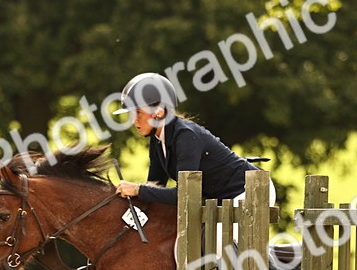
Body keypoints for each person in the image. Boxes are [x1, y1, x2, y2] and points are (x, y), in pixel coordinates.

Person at [113, 73, 276, 206]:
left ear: (159, 112)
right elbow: (155, 187)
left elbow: (186, 194)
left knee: (217, 239)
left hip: (252, 191)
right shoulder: (157, 141)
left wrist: (138, 190)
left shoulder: (185, 137)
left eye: (138, 113)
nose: (134, 121)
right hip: (222, 200)